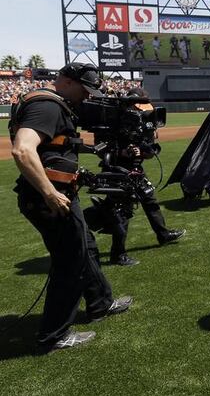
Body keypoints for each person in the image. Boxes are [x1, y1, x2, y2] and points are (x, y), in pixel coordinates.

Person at [10, 63, 132, 351]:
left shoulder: (49, 102)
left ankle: (100, 303)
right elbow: (22, 150)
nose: (86, 96)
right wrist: (50, 192)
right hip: (50, 199)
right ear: (65, 80)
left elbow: (53, 148)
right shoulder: (48, 105)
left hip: (59, 193)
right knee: (70, 263)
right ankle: (54, 334)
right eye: (83, 89)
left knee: (86, 246)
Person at [84, 87, 185, 266]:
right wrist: (123, 152)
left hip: (136, 171)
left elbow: (149, 150)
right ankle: (118, 254)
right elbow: (100, 149)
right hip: (118, 173)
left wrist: (142, 151)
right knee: (122, 213)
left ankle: (163, 234)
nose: (137, 111)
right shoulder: (112, 123)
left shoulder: (137, 122)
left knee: (150, 201)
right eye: (135, 106)